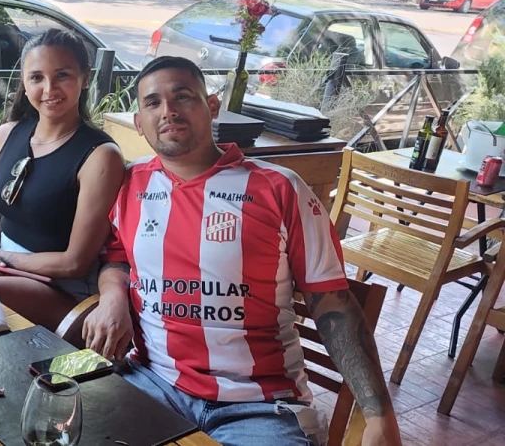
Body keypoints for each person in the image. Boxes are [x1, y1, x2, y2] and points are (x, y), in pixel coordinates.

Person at [83, 56, 402, 445]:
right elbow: (114, 255)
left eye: (183, 96)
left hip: (262, 405)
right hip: (152, 383)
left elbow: (332, 303)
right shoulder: (128, 183)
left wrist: (379, 417)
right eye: (152, 103)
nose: (167, 111)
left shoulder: (279, 189)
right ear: (139, 122)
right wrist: (113, 296)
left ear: (212, 106)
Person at [0, 29, 126, 334]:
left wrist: (2, 257)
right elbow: (0, 206)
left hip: (65, 293)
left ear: (85, 77)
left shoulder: (100, 156)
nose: (49, 88)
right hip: (7, 272)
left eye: (62, 75)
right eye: (36, 78)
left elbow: (74, 263)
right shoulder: (7, 134)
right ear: (24, 84)